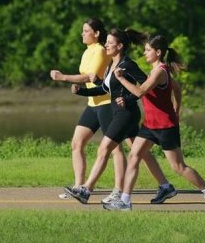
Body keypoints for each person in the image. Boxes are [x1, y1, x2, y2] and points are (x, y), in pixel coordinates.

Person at [103, 34, 205, 213]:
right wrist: (177, 109)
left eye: (148, 50)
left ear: (158, 52)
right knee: (134, 156)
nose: (144, 53)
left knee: (178, 167)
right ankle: (125, 202)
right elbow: (176, 88)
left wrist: (121, 79)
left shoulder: (160, 71)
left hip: (165, 127)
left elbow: (141, 91)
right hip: (149, 125)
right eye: (145, 50)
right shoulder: (155, 70)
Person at [65, 28, 177, 204]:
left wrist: (128, 98)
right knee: (141, 152)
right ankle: (165, 186)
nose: (106, 45)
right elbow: (105, 89)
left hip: (126, 114)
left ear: (120, 46)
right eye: (106, 42)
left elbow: (145, 86)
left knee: (104, 149)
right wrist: (81, 91)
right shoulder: (112, 65)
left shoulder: (128, 64)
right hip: (122, 113)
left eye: (110, 42)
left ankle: (86, 190)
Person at [50, 18, 128, 203]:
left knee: (115, 148)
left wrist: (63, 77)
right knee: (77, 143)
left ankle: (119, 190)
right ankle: (78, 186)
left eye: (86, 30)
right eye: (83, 31)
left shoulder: (101, 50)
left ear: (97, 33)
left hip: (106, 104)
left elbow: (89, 76)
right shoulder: (88, 51)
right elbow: (88, 77)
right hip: (93, 104)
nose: (82, 34)